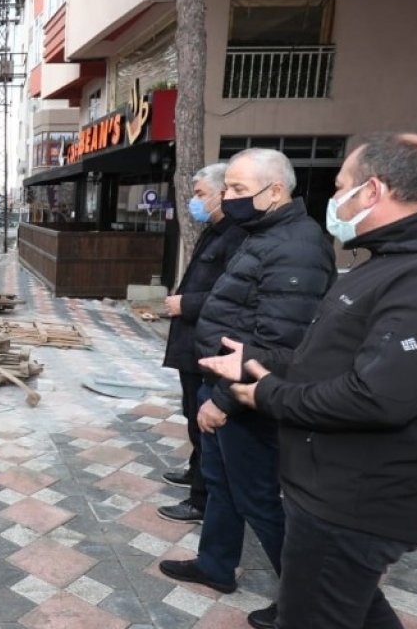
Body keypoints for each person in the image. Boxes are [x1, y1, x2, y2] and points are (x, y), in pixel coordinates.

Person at [201, 133, 417, 629]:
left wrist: (265, 393)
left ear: (373, 190)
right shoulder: (396, 259)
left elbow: (376, 397)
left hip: (352, 498)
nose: (333, 198)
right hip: (329, 485)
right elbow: (335, 356)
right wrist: (258, 361)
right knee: (355, 611)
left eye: (340, 185)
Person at [159, 148, 335, 629]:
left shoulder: (296, 246)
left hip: (247, 399)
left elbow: (278, 343)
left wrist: (222, 401)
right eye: (228, 188)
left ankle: (304, 603)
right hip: (223, 383)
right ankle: (216, 565)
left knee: (258, 498)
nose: (228, 198)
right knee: (221, 486)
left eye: (237, 189)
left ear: (274, 190)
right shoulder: (263, 235)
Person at [157, 162, 247, 524]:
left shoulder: (238, 236)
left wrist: (187, 303)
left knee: (205, 420)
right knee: (192, 415)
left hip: (210, 346)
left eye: (199, 195)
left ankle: (202, 499)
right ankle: (196, 475)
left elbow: (235, 295)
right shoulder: (215, 231)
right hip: (191, 342)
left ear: (222, 194)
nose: (195, 202)